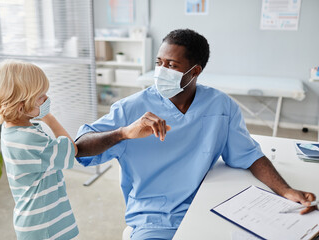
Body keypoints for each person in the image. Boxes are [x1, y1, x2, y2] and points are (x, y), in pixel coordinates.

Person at [75, 29, 317, 240]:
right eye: (159, 62)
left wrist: (286, 191)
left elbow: (250, 155)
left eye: (171, 65)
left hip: (209, 205)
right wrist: (123, 133)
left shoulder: (220, 106)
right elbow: (80, 148)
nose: (161, 70)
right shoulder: (131, 109)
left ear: (194, 71)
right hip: (156, 218)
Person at [0, 60, 79, 240]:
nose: (47, 99)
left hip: (36, 219)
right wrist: (50, 118)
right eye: (41, 96)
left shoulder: (13, 130)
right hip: (45, 225)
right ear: (21, 105)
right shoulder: (29, 139)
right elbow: (71, 149)